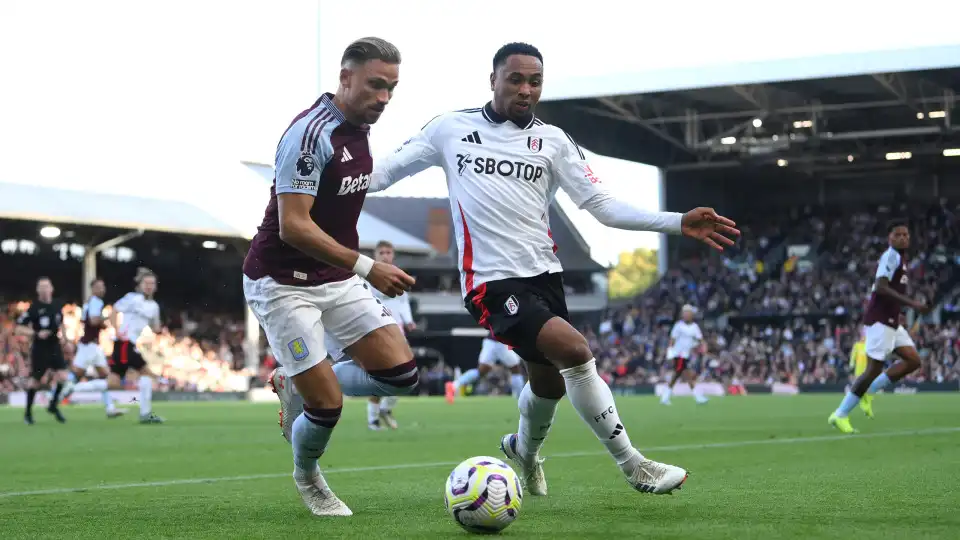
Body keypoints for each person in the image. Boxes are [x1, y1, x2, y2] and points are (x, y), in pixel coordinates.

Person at [368, 42, 740, 496]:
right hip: (490, 281)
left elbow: (601, 206)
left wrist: (677, 222)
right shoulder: (451, 128)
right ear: (493, 80)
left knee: (547, 386)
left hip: (545, 277)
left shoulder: (554, 141)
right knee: (577, 353)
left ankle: (523, 452)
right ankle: (634, 465)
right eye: (516, 79)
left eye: (535, 81)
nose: (526, 89)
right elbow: (382, 172)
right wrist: (322, 183)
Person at [243, 37, 418, 517]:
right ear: (345, 78)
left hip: (333, 278)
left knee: (401, 375)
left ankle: (300, 381)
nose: (384, 97)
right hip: (281, 282)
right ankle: (308, 477)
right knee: (328, 407)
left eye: (392, 88)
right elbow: (293, 226)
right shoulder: (309, 134)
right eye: (375, 85)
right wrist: (367, 266)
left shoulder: (361, 128)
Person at [829, 220, 930, 434]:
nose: (903, 238)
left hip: (892, 320)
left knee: (913, 360)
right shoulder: (890, 256)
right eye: (898, 234)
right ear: (890, 238)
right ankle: (840, 414)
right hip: (880, 321)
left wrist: (899, 312)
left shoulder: (901, 259)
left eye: (906, 234)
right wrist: (912, 304)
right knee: (873, 369)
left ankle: (870, 390)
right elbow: (880, 287)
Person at [365, 240, 416, 431]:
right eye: (382, 252)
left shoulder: (397, 274)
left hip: (398, 329)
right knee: (381, 376)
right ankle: (373, 419)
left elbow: (403, 301)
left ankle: (385, 409)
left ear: (393, 255)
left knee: (408, 373)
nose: (385, 256)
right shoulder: (368, 276)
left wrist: (409, 319)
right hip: (377, 330)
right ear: (375, 255)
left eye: (388, 252)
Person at [110, 268, 164, 424]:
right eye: (146, 283)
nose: (149, 286)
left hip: (129, 344)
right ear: (139, 285)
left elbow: (155, 327)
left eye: (152, 283)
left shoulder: (154, 306)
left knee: (111, 383)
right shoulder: (132, 298)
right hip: (124, 342)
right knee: (147, 374)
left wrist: (157, 328)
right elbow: (114, 310)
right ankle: (145, 413)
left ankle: (70, 388)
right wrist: (117, 330)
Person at [65, 278, 126, 418]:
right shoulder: (96, 302)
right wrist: (107, 318)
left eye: (103, 286)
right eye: (99, 287)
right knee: (77, 376)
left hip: (92, 345)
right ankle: (57, 393)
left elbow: (88, 321)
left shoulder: (89, 303)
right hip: (89, 346)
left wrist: (102, 323)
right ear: (93, 289)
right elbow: (93, 321)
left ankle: (110, 407)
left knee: (105, 377)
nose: (102, 289)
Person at [17, 277, 68, 424]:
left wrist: (65, 339)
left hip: (55, 345)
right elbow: (19, 327)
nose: (45, 289)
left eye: (47, 286)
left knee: (63, 376)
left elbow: (61, 322)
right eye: (41, 287)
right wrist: (35, 333)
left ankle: (52, 405)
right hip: (40, 347)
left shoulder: (57, 304)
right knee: (35, 381)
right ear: (38, 290)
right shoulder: (34, 308)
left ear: (51, 289)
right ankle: (28, 413)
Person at [449, 336, 525, 401]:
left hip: (490, 341)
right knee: (515, 369)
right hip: (500, 343)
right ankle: (520, 396)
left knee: (481, 371)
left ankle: (453, 385)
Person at [660, 305, 708, 405]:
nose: (686, 315)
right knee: (686, 374)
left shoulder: (695, 327)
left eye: (688, 313)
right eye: (684, 313)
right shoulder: (678, 325)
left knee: (677, 375)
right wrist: (670, 353)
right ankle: (698, 397)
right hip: (679, 354)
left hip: (686, 355)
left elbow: (700, 339)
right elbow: (672, 340)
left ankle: (665, 396)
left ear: (691, 315)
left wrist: (703, 346)